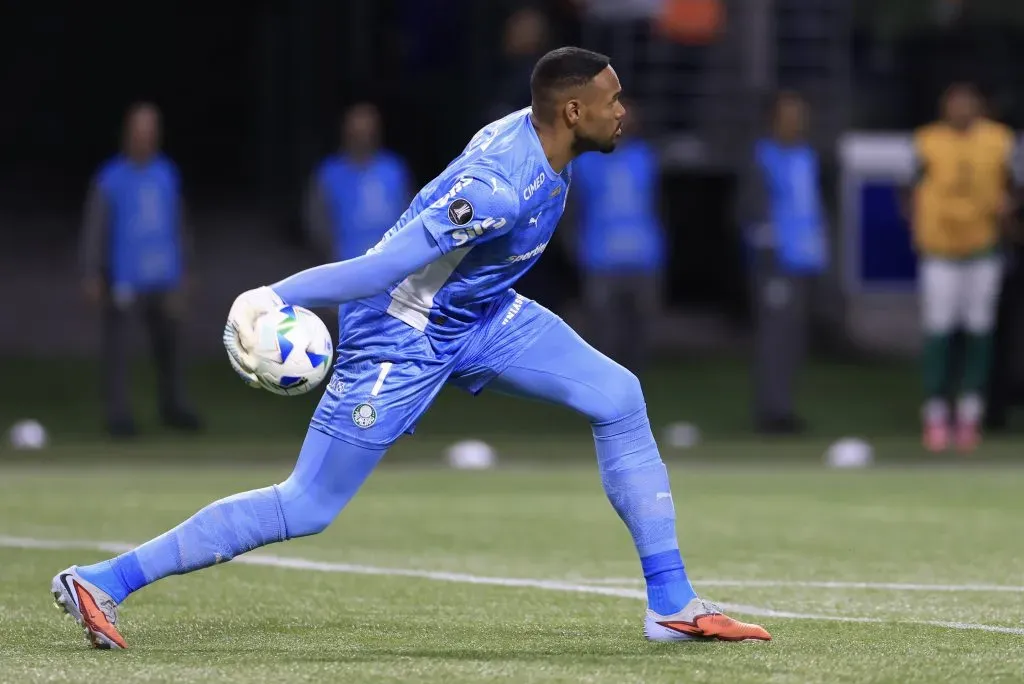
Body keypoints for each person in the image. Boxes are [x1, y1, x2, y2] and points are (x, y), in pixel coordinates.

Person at [51, 47, 771, 649]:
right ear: (572, 113)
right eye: (614, 99)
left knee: (619, 395)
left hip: (482, 314)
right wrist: (279, 296)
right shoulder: (495, 188)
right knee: (306, 506)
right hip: (402, 332)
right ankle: (102, 581)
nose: (626, 110)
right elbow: (381, 268)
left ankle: (671, 604)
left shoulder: (544, 140)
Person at [79, 102, 202, 438]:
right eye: (139, 130)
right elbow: (96, 227)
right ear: (127, 133)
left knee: (172, 349)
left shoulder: (167, 173)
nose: (144, 137)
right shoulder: (110, 178)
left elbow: (181, 224)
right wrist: (92, 271)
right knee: (119, 351)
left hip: (165, 277)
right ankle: (119, 415)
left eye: (151, 131)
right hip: (125, 279)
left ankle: (174, 407)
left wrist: (186, 268)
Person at [906, 83, 1016, 452]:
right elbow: (910, 189)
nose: (961, 109)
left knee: (979, 331)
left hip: (981, 250)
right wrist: (918, 226)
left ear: (980, 107)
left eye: (968, 103)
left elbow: (1012, 188)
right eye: (954, 104)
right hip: (940, 251)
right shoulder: (928, 141)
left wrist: (1008, 219)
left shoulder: (998, 141)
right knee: (939, 331)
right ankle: (936, 414)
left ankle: (970, 414)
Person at [741, 92, 827, 434]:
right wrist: (767, 255)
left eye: (800, 115)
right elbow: (749, 212)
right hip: (776, 263)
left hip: (807, 258)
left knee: (794, 340)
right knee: (775, 338)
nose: (796, 122)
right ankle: (771, 411)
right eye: (789, 115)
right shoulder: (762, 158)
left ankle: (785, 406)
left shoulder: (809, 156)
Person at [570, 102, 666, 373]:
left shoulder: (646, 157)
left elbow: (657, 206)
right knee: (603, 339)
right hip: (601, 260)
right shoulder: (584, 161)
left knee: (640, 337)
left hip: (644, 258)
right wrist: (577, 248)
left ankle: (632, 397)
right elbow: (571, 213)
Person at [304, 103, 412, 261]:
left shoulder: (394, 169)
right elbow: (317, 220)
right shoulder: (330, 172)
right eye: (357, 132)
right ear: (346, 133)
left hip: (391, 264)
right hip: (345, 263)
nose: (363, 138)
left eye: (368, 132)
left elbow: (409, 210)